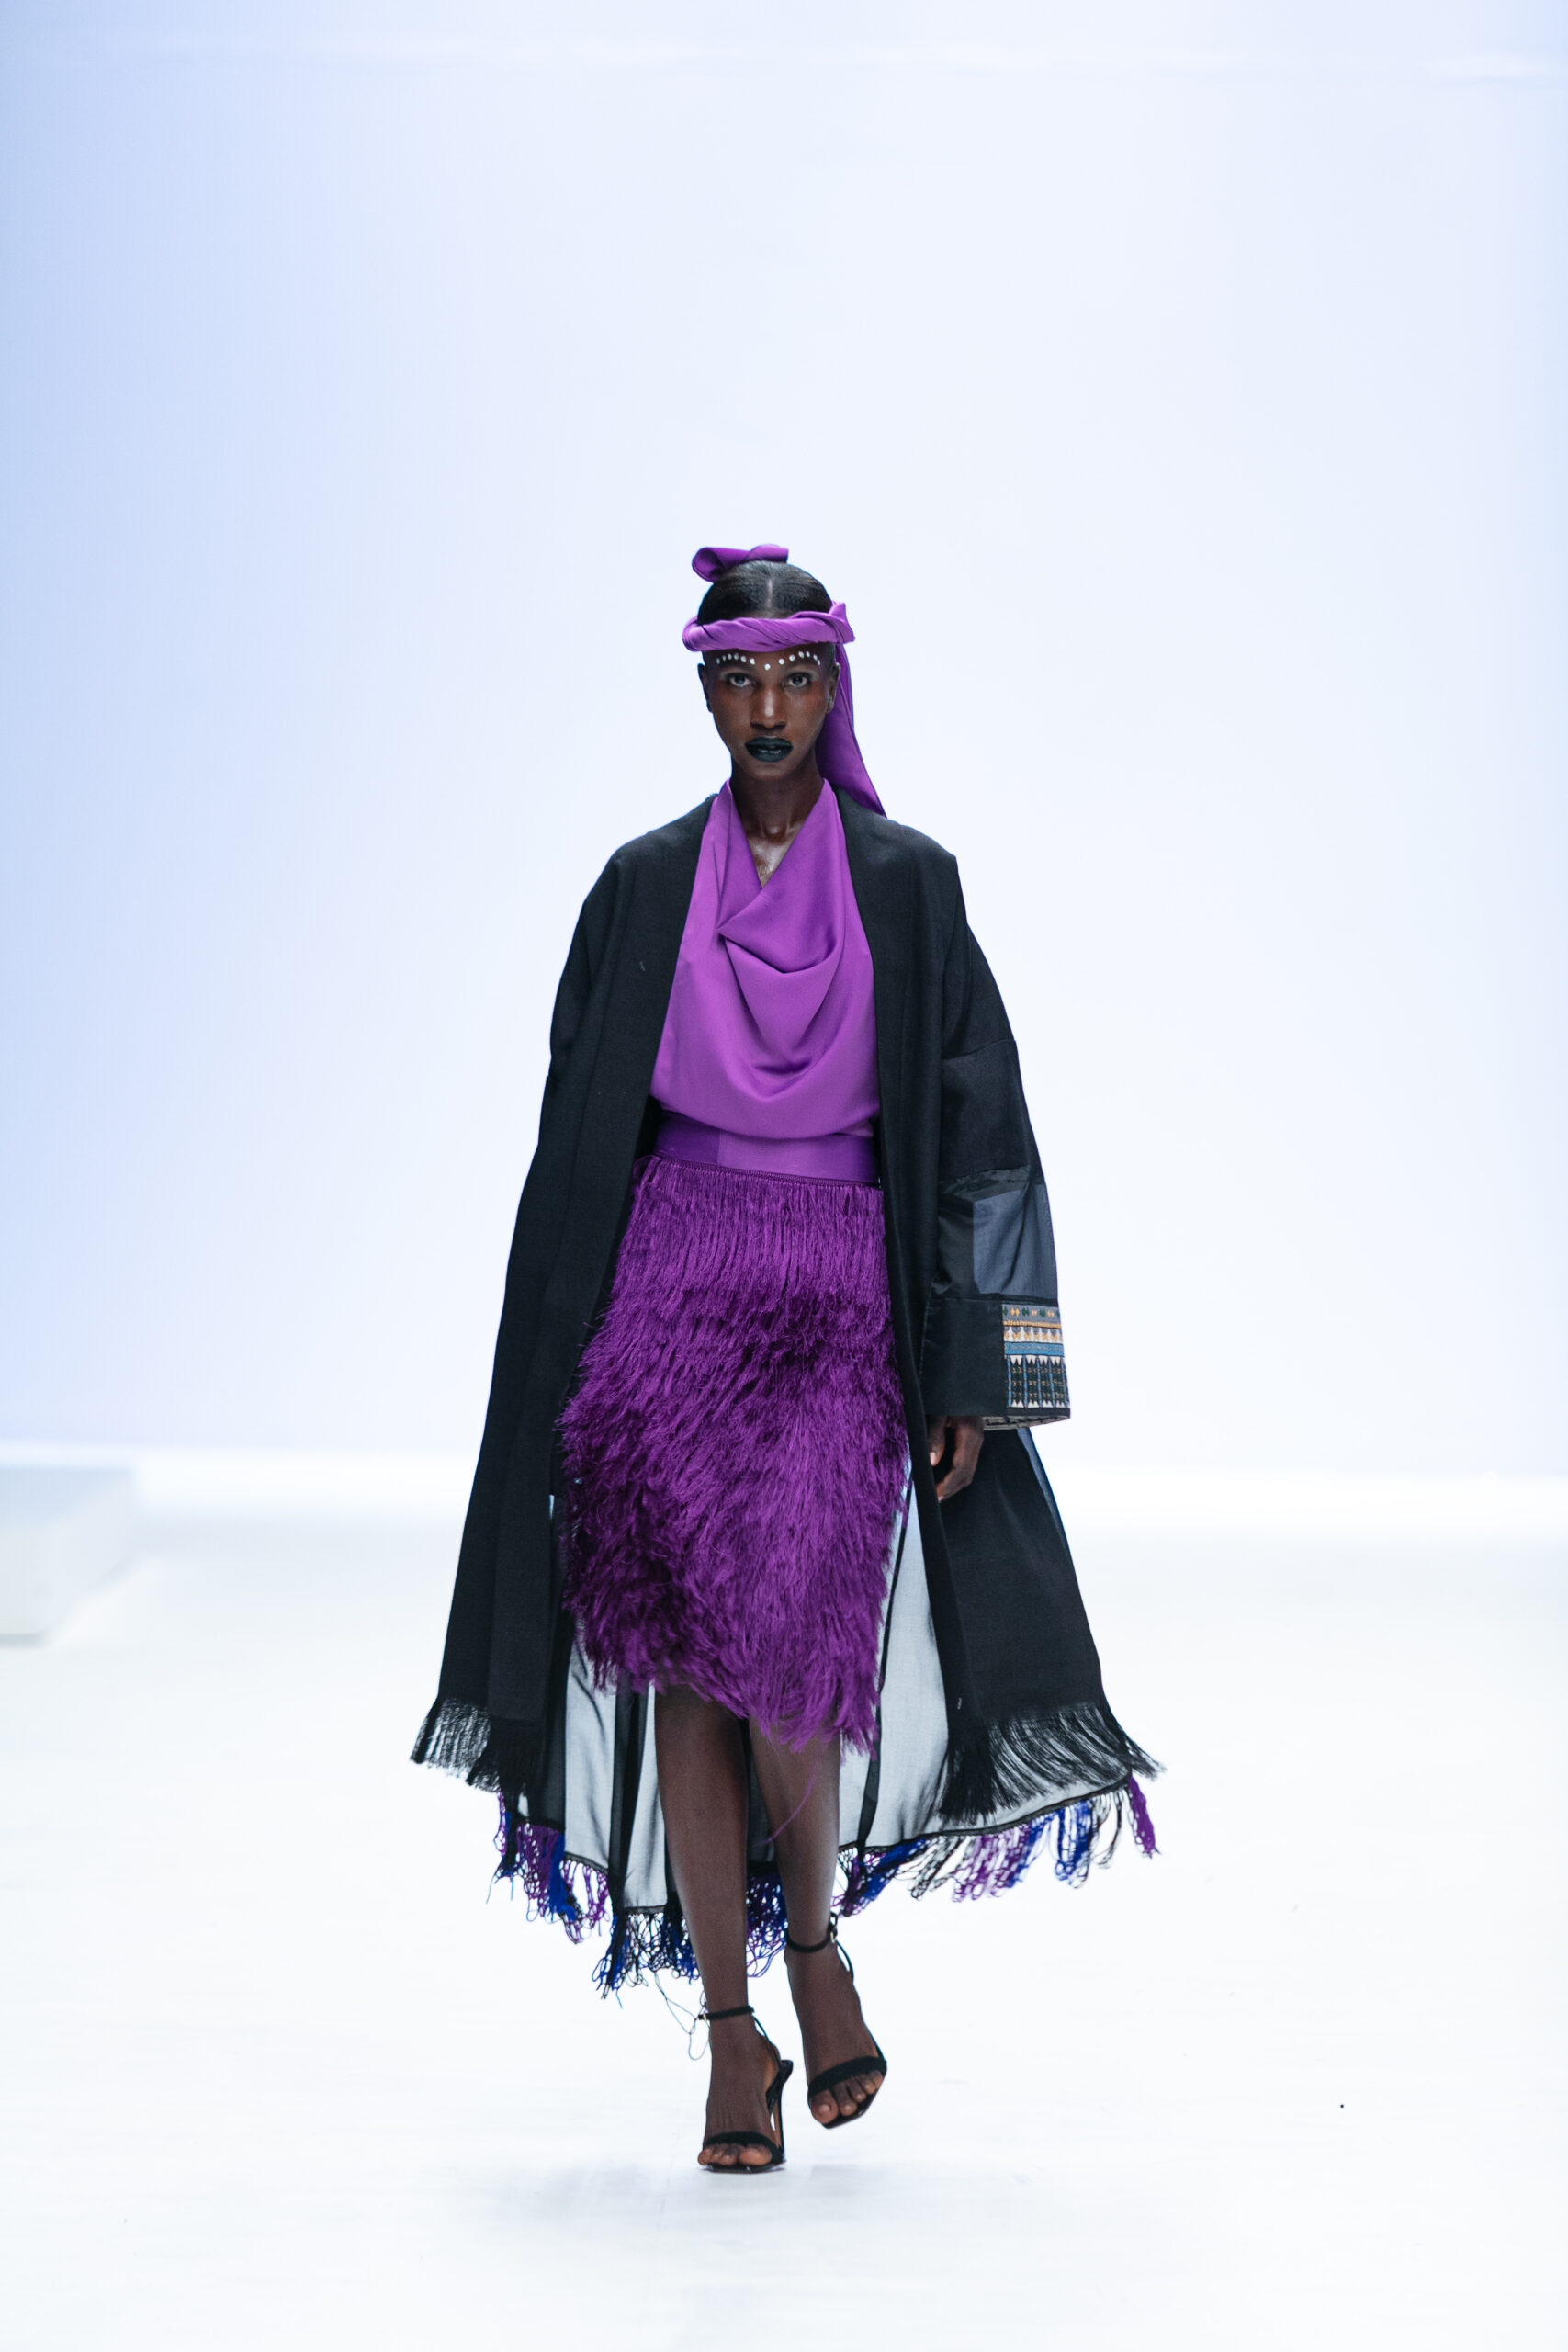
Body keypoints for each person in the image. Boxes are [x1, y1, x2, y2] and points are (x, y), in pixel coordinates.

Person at [413, 543, 1157, 2173]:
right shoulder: (637, 886)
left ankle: (815, 1954)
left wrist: (982, 1373)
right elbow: (572, 1145)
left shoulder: (910, 884)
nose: (769, 705)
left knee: (792, 1652)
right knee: (686, 1656)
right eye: (741, 676)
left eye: (798, 675)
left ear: (835, 687)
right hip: (667, 1292)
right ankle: (733, 2033)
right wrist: (552, 1366)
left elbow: (986, 1133)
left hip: (840, 1300)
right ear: (703, 693)